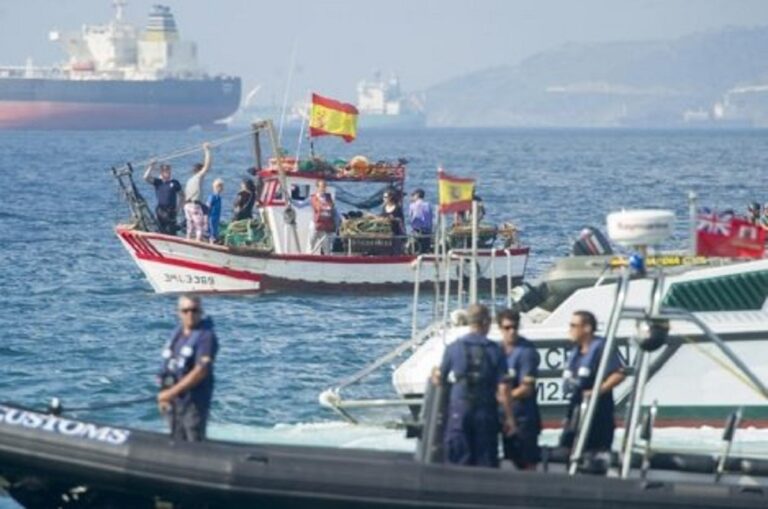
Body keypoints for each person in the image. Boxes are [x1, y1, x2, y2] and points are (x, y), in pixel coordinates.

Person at [434, 304, 515, 468]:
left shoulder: (453, 348)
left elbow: (439, 380)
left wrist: (434, 373)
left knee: (457, 459)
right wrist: (510, 419)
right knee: (485, 461)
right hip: (485, 413)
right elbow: (503, 389)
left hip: (459, 411)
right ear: (487, 322)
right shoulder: (495, 350)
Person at [560, 310, 626, 453]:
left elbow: (618, 374)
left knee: (595, 454)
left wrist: (596, 392)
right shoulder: (576, 351)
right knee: (566, 449)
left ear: (587, 328)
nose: (569, 330)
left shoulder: (601, 347)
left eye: (573, 325)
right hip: (577, 413)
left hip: (597, 414)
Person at [157, 295, 218, 442]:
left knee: (192, 437)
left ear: (201, 312)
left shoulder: (206, 337)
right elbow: (169, 367)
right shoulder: (177, 334)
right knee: (176, 438)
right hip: (174, 402)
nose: (190, 314)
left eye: (194, 310)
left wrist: (172, 392)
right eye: (185, 311)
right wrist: (164, 394)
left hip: (193, 402)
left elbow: (201, 370)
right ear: (179, 312)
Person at [498, 309, 541, 469]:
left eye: (515, 327)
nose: (512, 331)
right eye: (507, 328)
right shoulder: (497, 350)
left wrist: (504, 397)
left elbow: (526, 388)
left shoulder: (526, 352)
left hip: (523, 418)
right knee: (508, 460)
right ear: (500, 329)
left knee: (526, 463)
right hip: (502, 417)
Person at [183, 143, 213, 242]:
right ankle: (198, 242)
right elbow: (207, 166)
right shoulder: (198, 177)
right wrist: (207, 150)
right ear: (199, 171)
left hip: (187, 206)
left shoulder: (189, 180)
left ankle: (188, 240)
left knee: (190, 227)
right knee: (199, 227)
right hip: (194, 206)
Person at [144, 161, 183, 234]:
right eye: (165, 171)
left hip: (171, 210)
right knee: (161, 228)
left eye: (169, 170)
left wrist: (178, 208)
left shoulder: (175, 182)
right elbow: (146, 177)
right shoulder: (158, 182)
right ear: (162, 172)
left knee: (171, 229)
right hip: (161, 210)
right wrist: (151, 166)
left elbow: (182, 195)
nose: (168, 172)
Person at [309, 179, 336, 254]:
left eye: (324, 186)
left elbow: (333, 210)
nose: (323, 188)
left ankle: (327, 261)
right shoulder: (313, 198)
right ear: (317, 187)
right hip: (315, 224)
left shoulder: (329, 198)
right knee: (311, 243)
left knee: (326, 247)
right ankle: (308, 257)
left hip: (324, 225)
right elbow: (301, 204)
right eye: (321, 187)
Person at [408, 188, 433, 253]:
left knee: (416, 251)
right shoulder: (428, 205)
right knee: (425, 250)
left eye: (413, 195)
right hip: (427, 231)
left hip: (417, 231)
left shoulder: (413, 205)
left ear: (417, 195)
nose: (411, 197)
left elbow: (413, 218)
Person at [380, 189, 405, 253]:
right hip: (386, 232)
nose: (383, 199)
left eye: (385, 197)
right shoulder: (384, 207)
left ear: (390, 197)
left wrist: (393, 219)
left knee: (396, 249)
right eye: (383, 197)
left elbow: (401, 220)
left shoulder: (397, 207)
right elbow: (382, 217)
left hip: (396, 232)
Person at [207, 179, 224, 244]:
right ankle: (211, 242)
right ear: (217, 187)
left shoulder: (218, 197)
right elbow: (208, 206)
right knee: (212, 230)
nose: (222, 188)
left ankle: (214, 240)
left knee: (215, 229)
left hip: (216, 216)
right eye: (221, 187)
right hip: (212, 216)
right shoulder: (213, 196)